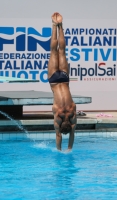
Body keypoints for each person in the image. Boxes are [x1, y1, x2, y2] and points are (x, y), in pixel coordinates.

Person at [48, 12, 77, 151]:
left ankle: (60, 25)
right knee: (54, 51)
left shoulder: (73, 110)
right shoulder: (58, 113)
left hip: (64, 79)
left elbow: (72, 133)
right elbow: (58, 135)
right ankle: (54, 25)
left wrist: (70, 146)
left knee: (62, 51)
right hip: (54, 80)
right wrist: (61, 150)